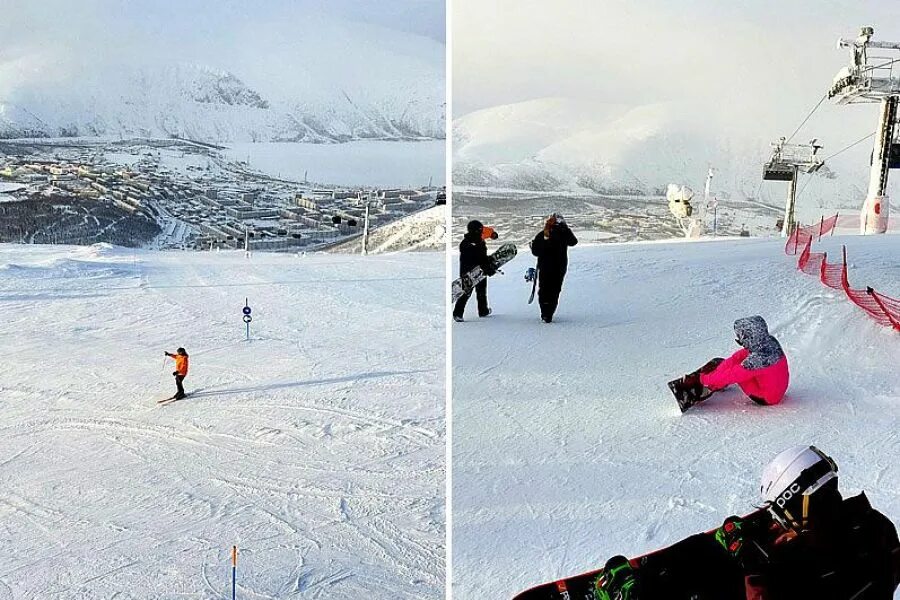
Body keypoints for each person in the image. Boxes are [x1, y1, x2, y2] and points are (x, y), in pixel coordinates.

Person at [595, 446, 900, 600]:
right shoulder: (876, 524)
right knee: (712, 551)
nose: (777, 517)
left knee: (712, 570)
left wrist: (745, 556)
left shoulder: (807, 558)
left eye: (779, 508)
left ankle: (640, 592)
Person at [671, 316, 789, 411]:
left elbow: (731, 375)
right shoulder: (769, 342)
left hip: (767, 398)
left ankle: (707, 387)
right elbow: (741, 355)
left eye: (740, 338)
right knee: (735, 364)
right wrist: (723, 366)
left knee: (735, 375)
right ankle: (714, 379)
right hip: (778, 389)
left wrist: (702, 379)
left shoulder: (756, 362)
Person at [530, 212, 577, 323]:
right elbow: (573, 242)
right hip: (559, 267)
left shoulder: (542, 234)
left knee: (544, 290)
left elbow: (536, 251)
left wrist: (533, 246)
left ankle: (545, 313)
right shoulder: (563, 234)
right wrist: (566, 229)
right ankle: (549, 313)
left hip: (545, 267)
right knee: (555, 290)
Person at [453, 220, 495, 322]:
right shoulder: (474, 243)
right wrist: (488, 267)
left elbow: (481, 257)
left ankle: (482, 310)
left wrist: (493, 234)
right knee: (471, 292)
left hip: (472, 271)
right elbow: (480, 258)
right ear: (476, 230)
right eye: (480, 230)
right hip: (473, 271)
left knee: (474, 292)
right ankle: (459, 313)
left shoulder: (468, 242)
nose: (482, 231)